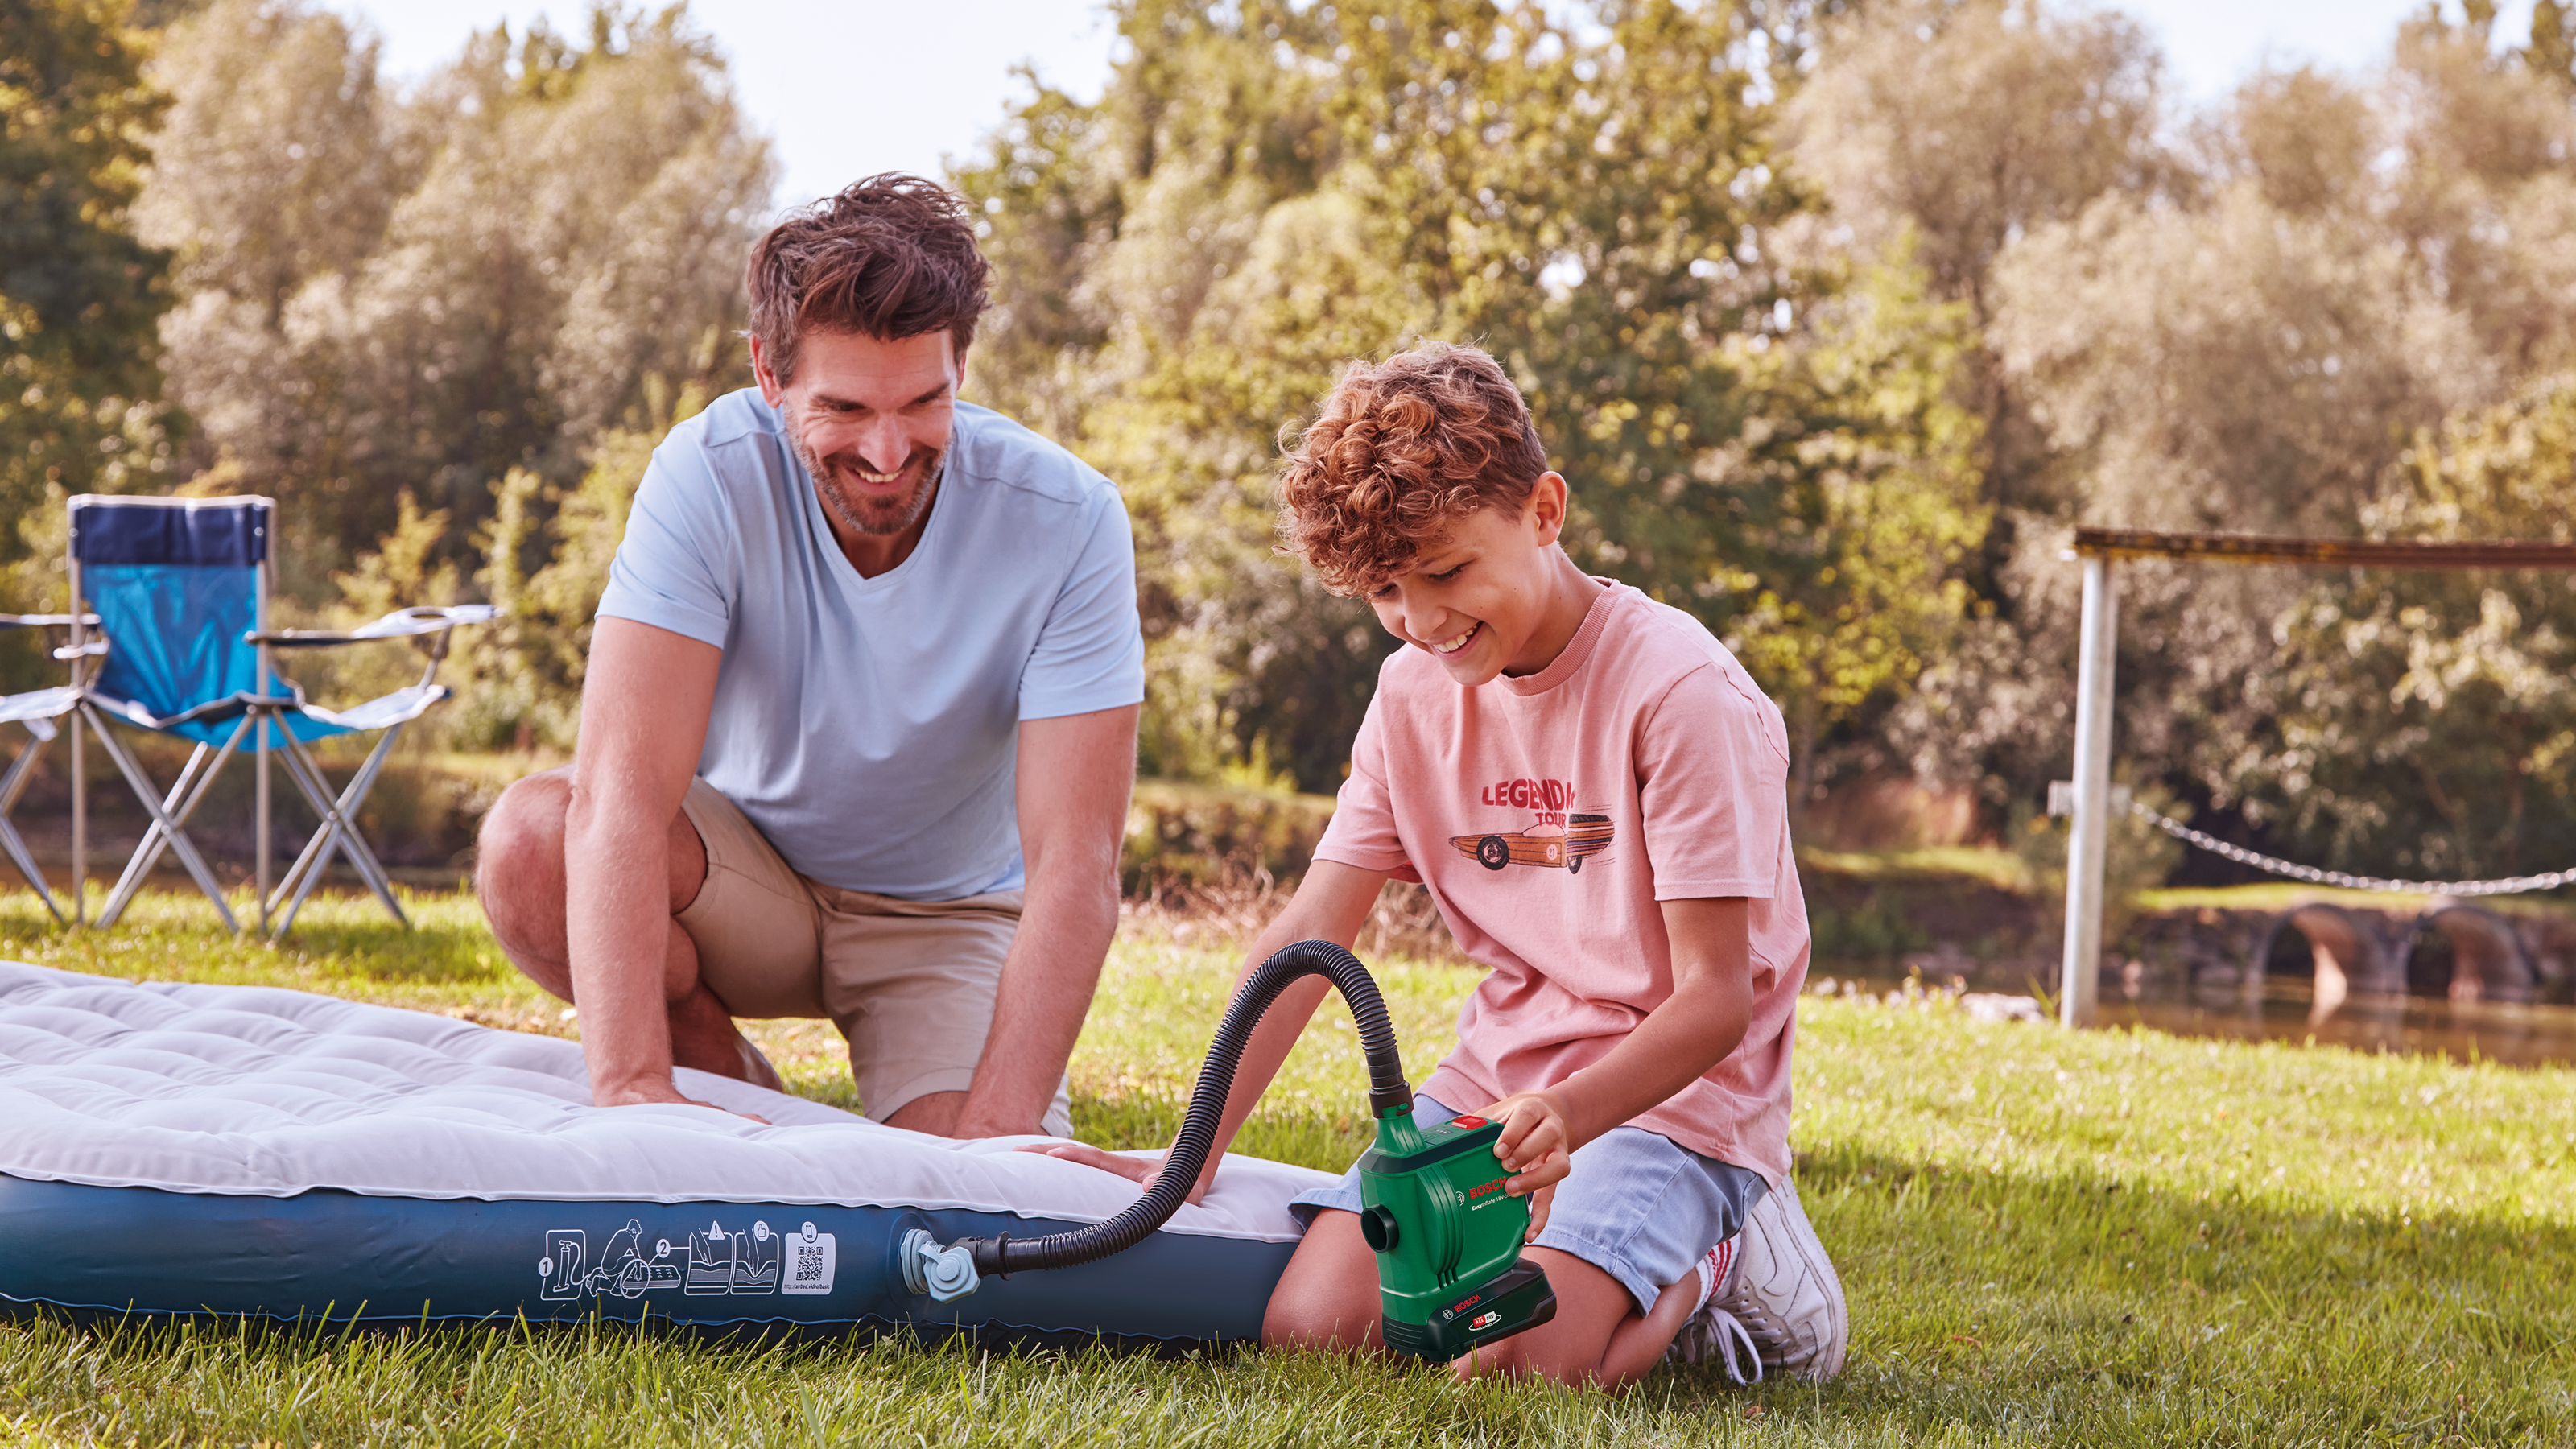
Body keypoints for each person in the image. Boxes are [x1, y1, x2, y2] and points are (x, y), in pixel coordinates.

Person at [1038, 341, 1844, 1386]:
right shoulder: (1411, 697)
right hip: (1498, 1085)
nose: (1421, 622)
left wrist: (1571, 1116)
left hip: (1672, 1106)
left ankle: (1717, 1265)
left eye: (1449, 572)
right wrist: (1190, 1161)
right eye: (1385, 588)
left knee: (1512, 1366)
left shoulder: (1680, 693)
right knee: (1316, 1327)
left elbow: (1717, 999)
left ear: (1543, 511)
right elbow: (1309, 935)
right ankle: (1602, 1268)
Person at [476, 175, 1143, 1140]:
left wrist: (989, 1146)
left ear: (961, 364)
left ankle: (914, 1123)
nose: (887, 452)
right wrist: (630, 1091)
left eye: (924, 401)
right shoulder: (705, 475)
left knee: (965, 1179)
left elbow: (1076, 863)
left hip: (946, 914)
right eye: (844, 408)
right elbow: (622, 794)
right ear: (769, 372)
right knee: (531, 843)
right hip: (742, 882)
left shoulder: (1069, 519)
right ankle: (719, 1074)